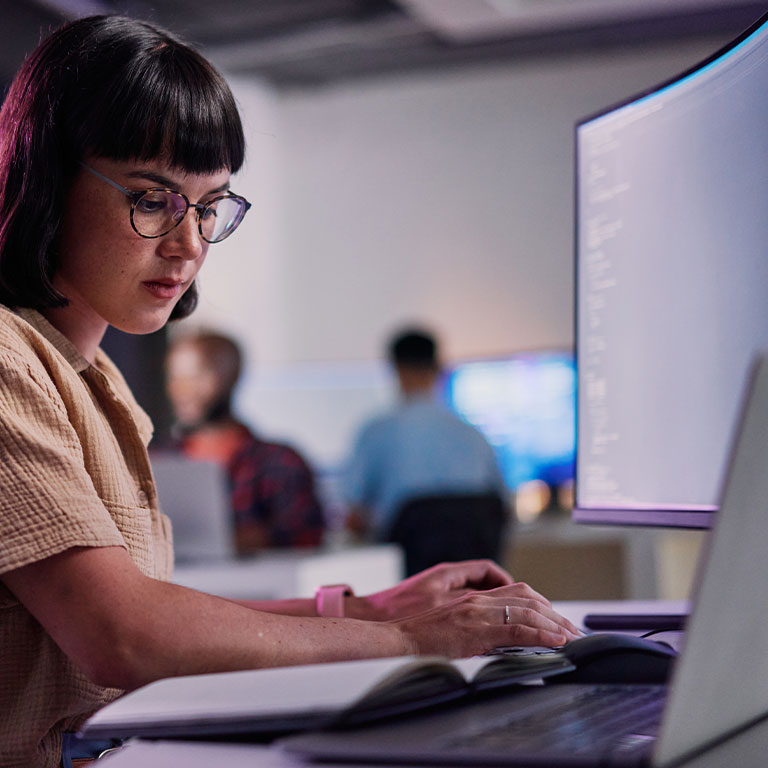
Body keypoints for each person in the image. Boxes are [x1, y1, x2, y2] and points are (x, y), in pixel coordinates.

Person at [0, 15, 580, 768]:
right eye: (152, 199)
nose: (188, 246)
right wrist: (405, 642)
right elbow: (123, 634)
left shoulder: (95, 379)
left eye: (209, 208)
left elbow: (148, 608)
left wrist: (364, 609)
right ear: (47, 177)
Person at [164, 330, 325, 553]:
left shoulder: (281, 462)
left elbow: (306, 536)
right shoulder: (156, 461)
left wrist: (241, 542)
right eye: (175, 378)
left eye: (196, 378)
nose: (182, 390)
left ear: (231, 377)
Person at [343, 328, 510, 541]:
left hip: (407, 570)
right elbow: (503, 509)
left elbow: (354, 516)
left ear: (396, 368)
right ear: (438, 367)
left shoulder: (375, 433)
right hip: (469, 569)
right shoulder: (473, 434)